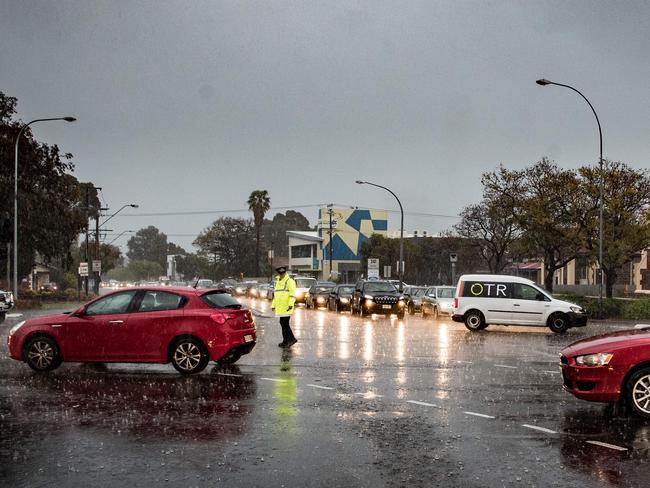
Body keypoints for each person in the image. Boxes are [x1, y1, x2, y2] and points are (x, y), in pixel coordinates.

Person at [271, 266, 297, 348]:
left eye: (283, 273)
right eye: (280, 273)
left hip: (286, 307)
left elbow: (292, 295)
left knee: (285, 324)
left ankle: (291, 339)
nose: (281, 274)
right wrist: (273, 305)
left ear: (285, 272)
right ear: (278, 273)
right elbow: (276, 295)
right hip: (280, 308)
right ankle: (286, 341)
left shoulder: (290, 281)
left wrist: (290, 304)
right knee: (283, 323)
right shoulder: (278, 282)